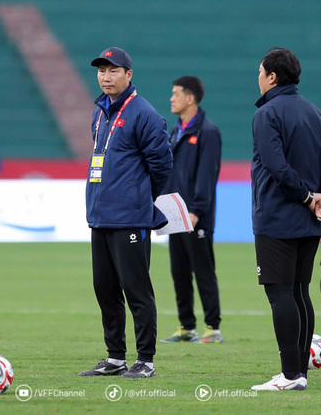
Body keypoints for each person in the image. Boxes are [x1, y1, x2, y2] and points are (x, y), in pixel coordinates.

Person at [250, 48, 321, 391]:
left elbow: (275, 166)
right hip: (310, 222)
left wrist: (307, 198)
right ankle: (299, 371)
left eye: (260, 72)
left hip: (277, 217)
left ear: (272, 77)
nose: (257, 77)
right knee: (300, 291)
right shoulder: (318, 115)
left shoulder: (267, 114)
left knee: (280, 294)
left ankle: (290, 374)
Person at [79, 47, 173, 379]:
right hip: (101, 216)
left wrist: (139, 197)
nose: (106, 76)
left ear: (129, 75)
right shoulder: (100, 113)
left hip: (130, 218)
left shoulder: (143, 113)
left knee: (136, 289)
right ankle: (115, 357)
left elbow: (162, 165)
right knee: (104, 287)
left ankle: (145, 359)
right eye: (102, 71)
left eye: (113, 70)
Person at [160, 76, 223, 344]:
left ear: (190, 98)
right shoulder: (175, 132)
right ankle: (186, 326)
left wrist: (196, 210)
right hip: (175, 215)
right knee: (180, 272)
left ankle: (213, 328)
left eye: (176, 94)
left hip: (196, 216)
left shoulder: (207, 132)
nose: (171, 98)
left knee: (203, 270)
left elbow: (207, 176)